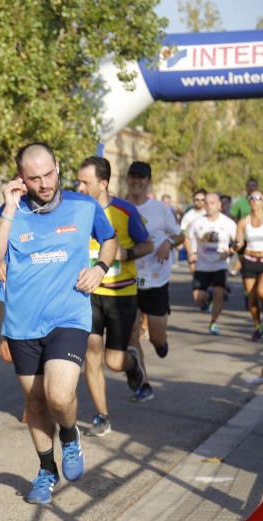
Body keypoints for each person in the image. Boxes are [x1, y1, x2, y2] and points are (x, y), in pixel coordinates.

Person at [0, 142, 116, 505]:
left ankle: (70, 436)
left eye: (49, 174)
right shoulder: (10, 211)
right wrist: (9, 210)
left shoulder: (84, 205)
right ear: (20, 179)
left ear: (58, 166)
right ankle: (46, 470)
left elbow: (109, 240)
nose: (43, 184)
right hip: (23, 323)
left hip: (68, 315)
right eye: (34, 178)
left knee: (59, 394)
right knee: (36, 404)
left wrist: (100, 269)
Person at [75, 157, 151, 434]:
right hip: (89, 293)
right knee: (91, 352)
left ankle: (132, 366)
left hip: (121, 295)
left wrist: (125, 253)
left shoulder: (125, 210)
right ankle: (102, 416)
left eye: (86, 182)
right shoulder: (75, 211)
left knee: (113, 361)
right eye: (78, 181)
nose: (79, 187)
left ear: (103, 183)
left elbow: (148, 244)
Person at [126, 161, 184, 394]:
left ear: (148, 181)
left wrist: (168, 244)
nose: (136, 181)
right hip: (129, 280)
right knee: (131, 335)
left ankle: (161, 343)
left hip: (156, 281)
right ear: (127, 179)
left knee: (156, 339)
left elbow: (180, 236)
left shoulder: (160, 209)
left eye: (141, 177)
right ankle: (144, 383)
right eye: (133, 176)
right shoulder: (120, 207)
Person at [188, 192, 238, 335]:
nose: (209, 205)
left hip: (220, 265)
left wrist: (229, 252)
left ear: (219, 205)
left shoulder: (227, 223)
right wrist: (192, 253)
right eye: (207, 203)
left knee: (219, 292)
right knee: (198, 297)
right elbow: (187, 238)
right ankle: (206, 299)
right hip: (202, 265)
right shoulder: (197, 222)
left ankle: (213, 322)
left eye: (212, 202)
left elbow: (238, 241)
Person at [236, 188, 263, 341]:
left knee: (262, 292)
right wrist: (234, 246)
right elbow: (239, 242)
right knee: (252, 298)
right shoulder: (243, 222)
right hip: (249, 261)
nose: (254, 200)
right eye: (251, 197)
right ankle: (258, 328)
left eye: (258, 197)